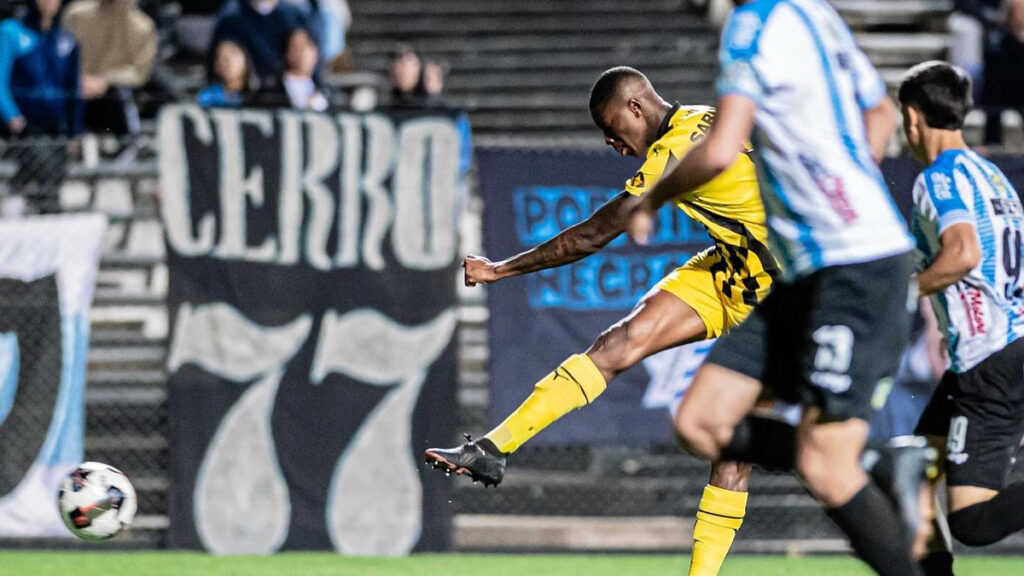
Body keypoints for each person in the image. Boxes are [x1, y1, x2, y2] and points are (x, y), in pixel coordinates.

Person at [426, 66, 781, 576]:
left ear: (637, 107)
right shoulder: (701, 119)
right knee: (619, 342)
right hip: (730, 268)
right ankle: (491, 448)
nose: (613, 144)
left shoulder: (671, 152)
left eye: (614, 129)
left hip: (779, 298)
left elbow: (593, 236)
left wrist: (503, 269)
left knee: (732, 451)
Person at [623, 0, 928, 574]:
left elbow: (717, 150)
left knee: (825, 467)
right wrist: (839, 183)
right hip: (804, 272)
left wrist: (653, 199)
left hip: (855, 266)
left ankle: (875, 475)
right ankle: (881, 463)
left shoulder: (752, 24)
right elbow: (882, 113)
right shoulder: (816, 15)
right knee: (700, 422)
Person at [900, 61, 1024, 576]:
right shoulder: (990, 172)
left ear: (912, 117)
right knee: (911, 479)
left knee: (972, 522)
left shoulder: (939, 178)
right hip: (1001, 348)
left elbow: (964, 253)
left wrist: (904, 294)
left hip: (989, 361)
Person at [62, 0, 156, 134]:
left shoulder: (143, 27)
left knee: (119, 98)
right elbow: (59, 51)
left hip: (113, 97)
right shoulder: (77, 14)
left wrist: (105, 80)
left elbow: (140, 73)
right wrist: (78, 78)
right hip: (71, 90)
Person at [208, 0, 313, 88]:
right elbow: (222, 59)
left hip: (287, 94)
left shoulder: (294, 17)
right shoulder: (231, 16)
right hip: (244, 95)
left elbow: (307, 66)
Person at [198, 40, 256, 108]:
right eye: (218, 56)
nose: (226, 60)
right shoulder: (208, 96)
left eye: (233, 52)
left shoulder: (260, 94)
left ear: (246, 58)